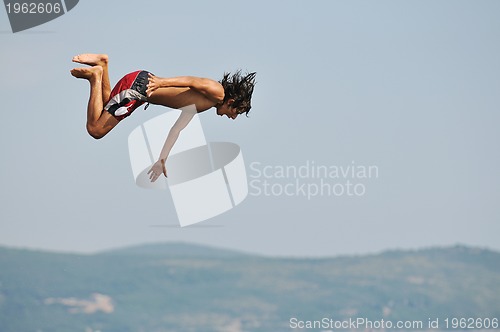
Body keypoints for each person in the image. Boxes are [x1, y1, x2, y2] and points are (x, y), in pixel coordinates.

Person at [70, 54, 256, 182]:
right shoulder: (217, 91)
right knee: (96, 129)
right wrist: (161, 82)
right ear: (231, 101)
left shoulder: (205, 104)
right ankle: (95, 76)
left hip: (140, 91)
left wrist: (162, 159)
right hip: (141, 88)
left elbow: (177, 129)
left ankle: (102, 64)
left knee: (103, 109)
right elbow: (193, 80)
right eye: (236, 113)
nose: (233, 118)